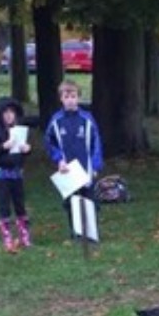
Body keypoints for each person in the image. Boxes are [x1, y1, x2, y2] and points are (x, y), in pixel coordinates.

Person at [45, 80, 104, 237]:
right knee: (72, 201)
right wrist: (59, 160)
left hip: (86, 168)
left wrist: (96, 166)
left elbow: (95, 143)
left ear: (78, 98)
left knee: (89, 199)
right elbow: (50, 143)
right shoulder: (56, 121)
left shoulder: (87, 120)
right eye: (67, 96)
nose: (70, 99)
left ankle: (91, 231)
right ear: (61, 99)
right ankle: (76, 231)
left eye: (73, 96)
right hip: (68, 169)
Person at [0, 96, 32, 253]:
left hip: (17, 173)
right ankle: (7, 236)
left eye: (12, 112)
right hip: (2, 174)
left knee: (20, 204)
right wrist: (3, 146)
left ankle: (24, 234)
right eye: (5, 112)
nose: (9, 115)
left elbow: (22, 153)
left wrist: (27, 150)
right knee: (4, 205)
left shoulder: (19, 130)